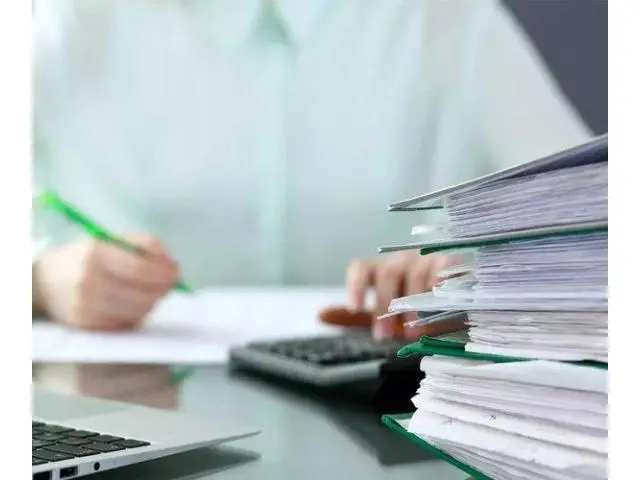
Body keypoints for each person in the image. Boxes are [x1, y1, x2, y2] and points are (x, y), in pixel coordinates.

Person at [32, 0, 591, 335]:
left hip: (396, 409)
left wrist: (472, 281)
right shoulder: (73, 19)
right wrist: (38, 282)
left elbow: (596, 228)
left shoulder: (446, 18)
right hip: (134, 410)